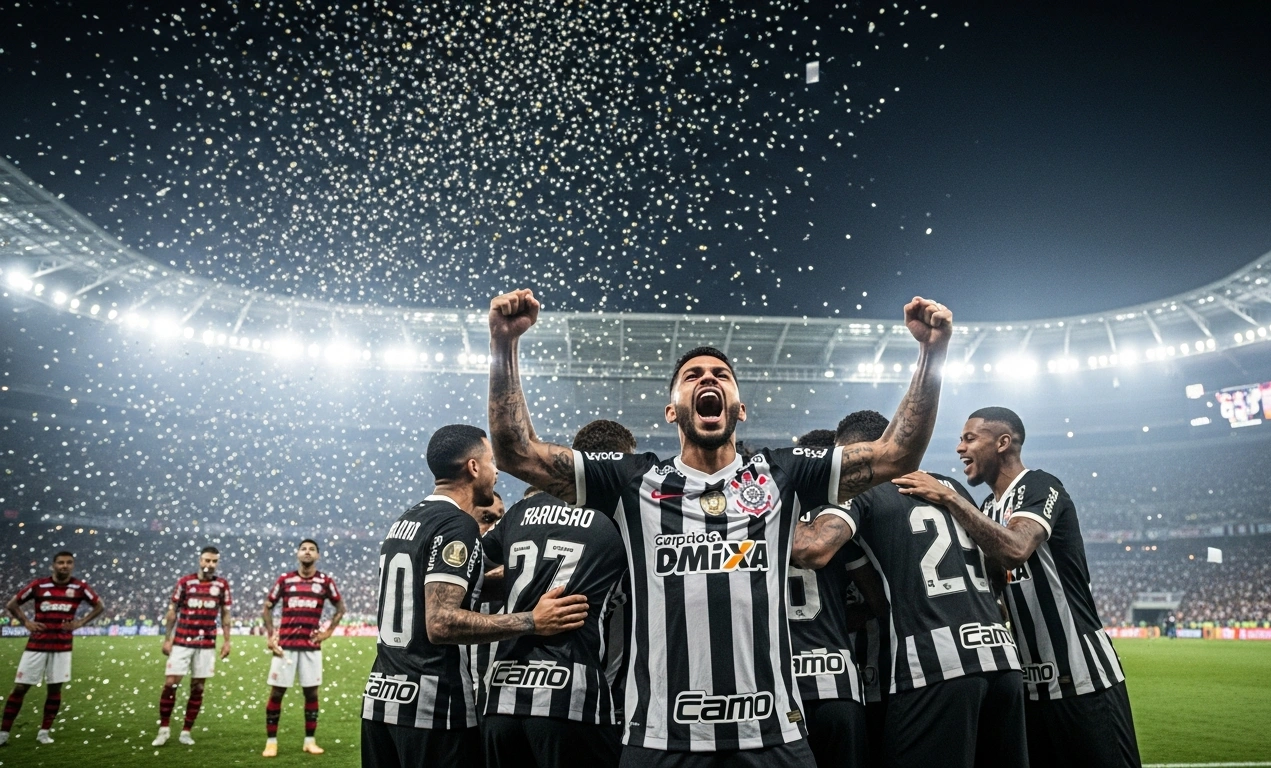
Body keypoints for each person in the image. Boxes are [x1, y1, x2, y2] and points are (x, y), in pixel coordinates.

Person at [487, 287, 953, 766]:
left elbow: (897, 454)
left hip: (772, 736)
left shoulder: (783, 473)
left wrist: (931, 354)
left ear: (740, 408)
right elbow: (517, 454)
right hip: (662, 739)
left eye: (721, 375)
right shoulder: (633, 480)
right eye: (692, 376)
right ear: (672, 410)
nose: (708, 378)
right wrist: (504, 345)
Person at [897, 407, 1139, 768]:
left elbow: (1015, 549)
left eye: (969, 438)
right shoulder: (985, 509)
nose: (960, 448)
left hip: (1083, 679)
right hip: (1029, 688)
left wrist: (949, 497)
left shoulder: (1039, 485)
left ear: (1002, 443)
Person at [794, 410, 1027, 768]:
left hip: (936, 665)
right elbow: (996, 568)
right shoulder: (950, 486)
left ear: (855, 453)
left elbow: (814, 549)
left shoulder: (861, 490)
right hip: (1003, 661)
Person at [361, 424, 591, 768]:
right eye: (492, 462)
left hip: (380, 700)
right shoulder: (457, 525)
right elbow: (441, 623)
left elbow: (458, 585)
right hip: (432, 707)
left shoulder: (406, 520)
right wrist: (532, 621)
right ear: (473, 467)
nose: (496, 472)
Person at [478, 419, 637, 768]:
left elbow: (469, 569)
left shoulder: (521, 511)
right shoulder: (619, 517)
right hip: (571, 698)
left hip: (500, 701)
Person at [785, 427, 889, 768]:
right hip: (837, 682)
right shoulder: (837, 525)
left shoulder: (757, 522)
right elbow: (878, 601)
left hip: (780, 689)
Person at [1, 551, 105, 746]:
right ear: (53, 565)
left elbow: (100, 606)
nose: (65, 566)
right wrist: (26, 622)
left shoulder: (79, 587)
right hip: (37, 645)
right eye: (61, 562)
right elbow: (12, 604)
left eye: (69, 562)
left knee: (55, 688)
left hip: (62, 646)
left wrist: (80, 622)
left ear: (73, 565)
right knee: (20, 687)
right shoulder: (39, 585)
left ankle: (44, 732)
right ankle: (4, 732)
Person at [261, 539, 347, 757]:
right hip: (285, 646)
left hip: (311, 647)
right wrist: (271, 636)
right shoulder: (285, 580)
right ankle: (271, 742)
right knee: (277, 692)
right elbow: (267, 607)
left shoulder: (325, 581)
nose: (307, 552)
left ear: (317, 555)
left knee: (311, 693)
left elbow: (340, 607)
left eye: (312, 549)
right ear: (298, 553)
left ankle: (309, 741)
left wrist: (328, 632)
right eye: (304, 549)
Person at [153, 546, 232, 747]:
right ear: (200, 560)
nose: (210, 564)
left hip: (206, 643)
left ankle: (186, 731)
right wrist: (167, 638)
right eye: (207, 560)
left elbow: (225, 613)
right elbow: (172, 611)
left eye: (214, 561)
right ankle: (164, 729)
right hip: (182, 641)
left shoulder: (222, 585)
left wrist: (227, 640)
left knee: (198, 687)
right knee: (171, 682)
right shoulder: (185, 582)